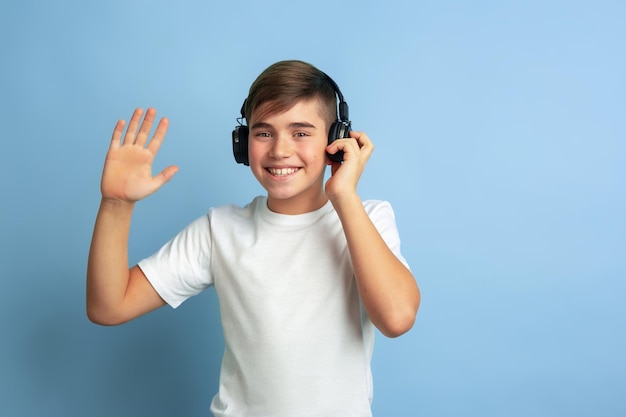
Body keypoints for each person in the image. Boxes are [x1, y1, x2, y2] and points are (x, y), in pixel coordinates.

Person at [87, 60, 420, 417]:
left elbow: (397, 318)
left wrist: (344, 196)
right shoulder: (220, 230)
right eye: (264, 133)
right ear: (243, 143)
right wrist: (116, 204)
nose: (279, 150)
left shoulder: (367, 218)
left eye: (301, 132)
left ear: (336, 141)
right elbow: (109, 306)